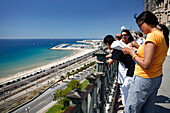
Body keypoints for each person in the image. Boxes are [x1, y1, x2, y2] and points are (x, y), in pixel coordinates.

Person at [122, 11, 169, 113]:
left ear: (145, 22)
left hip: (144, 78)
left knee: (131, 109)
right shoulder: (162, 35)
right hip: (156, 77)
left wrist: (131, 53)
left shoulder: (152, 36)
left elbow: (146, 64)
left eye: (140, 25)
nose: (139, 29)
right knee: (147, 109)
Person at [103, 35, 135, 106]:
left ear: (108, 44)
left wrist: (102, 63)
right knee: (126, 88)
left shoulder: (116, 48)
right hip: (131, 67)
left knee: (125, 88)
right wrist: (105, 57)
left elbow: (110, 62)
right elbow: (113, 55)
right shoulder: (117, 46)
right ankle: (127, 105)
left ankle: (127, 106)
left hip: (131, 68)